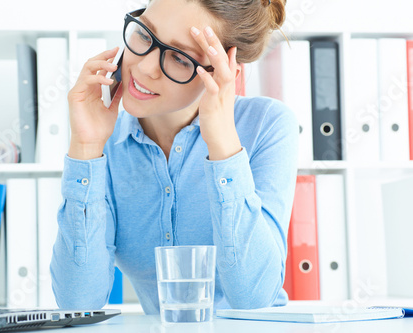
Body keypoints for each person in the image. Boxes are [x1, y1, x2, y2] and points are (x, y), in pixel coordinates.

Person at [50, 0, 298, 314]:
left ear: (224, 69)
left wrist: (222, 145)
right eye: (144, 35)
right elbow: (78, 302)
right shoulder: (104, 141)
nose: (144, 67)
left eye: (179, 57)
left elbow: (252, 298)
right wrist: (85, 148)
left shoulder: (267, 125)